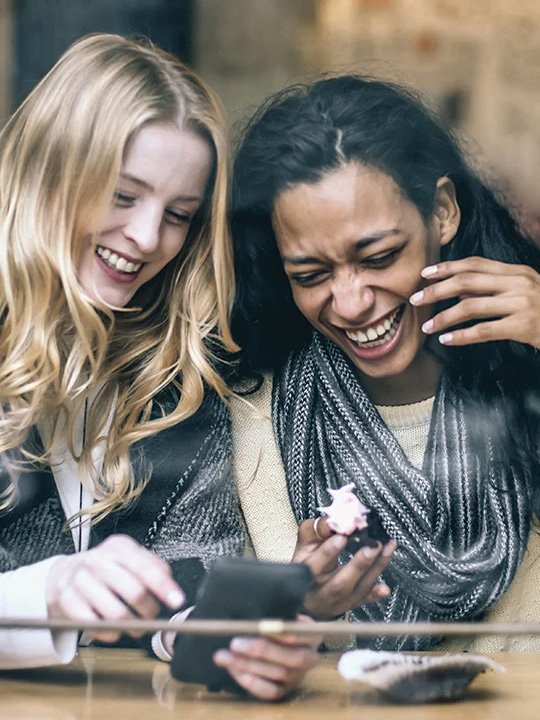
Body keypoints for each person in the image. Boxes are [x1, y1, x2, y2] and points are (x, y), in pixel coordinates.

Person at [0, 33, 318, 700]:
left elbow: (192, 567)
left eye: (179, 215)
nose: (148, 239)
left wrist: (219, 636)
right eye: (122, 195)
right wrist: (44, 593)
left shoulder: (175, 372)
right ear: (47, 171)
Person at [230, 75, 540, 651]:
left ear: (442, 213)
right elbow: (248, 650)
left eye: (379, 256)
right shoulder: (257, 412)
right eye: (310, 275)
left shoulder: (529, 372)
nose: (349, 303)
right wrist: (299, 614)